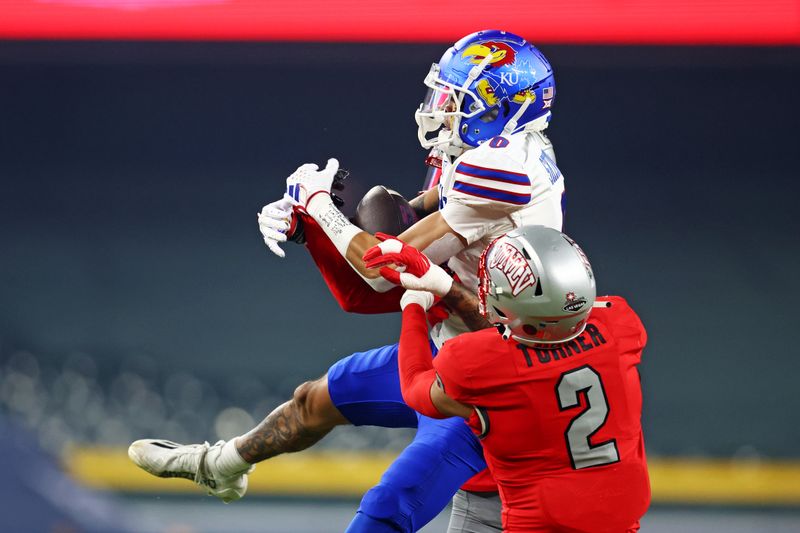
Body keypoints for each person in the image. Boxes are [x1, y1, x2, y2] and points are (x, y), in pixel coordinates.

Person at [129, 29, 564, 532]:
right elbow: (400, 227)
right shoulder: (487, 154)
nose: (439, 109)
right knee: (314, 400)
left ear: (505, 106)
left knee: (387, 508)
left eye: (457, 100)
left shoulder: (502, 169)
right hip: (453, 344)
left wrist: (317, 205)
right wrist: (308, 226)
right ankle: (219, 467)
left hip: (490, 378)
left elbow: (383, 269)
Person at [364, 225, 650, 532]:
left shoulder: (476, 362)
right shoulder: (620, 323)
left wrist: (413, 307)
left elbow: (414, 386)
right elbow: (541, 337)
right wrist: (443, 285)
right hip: (620, 523)